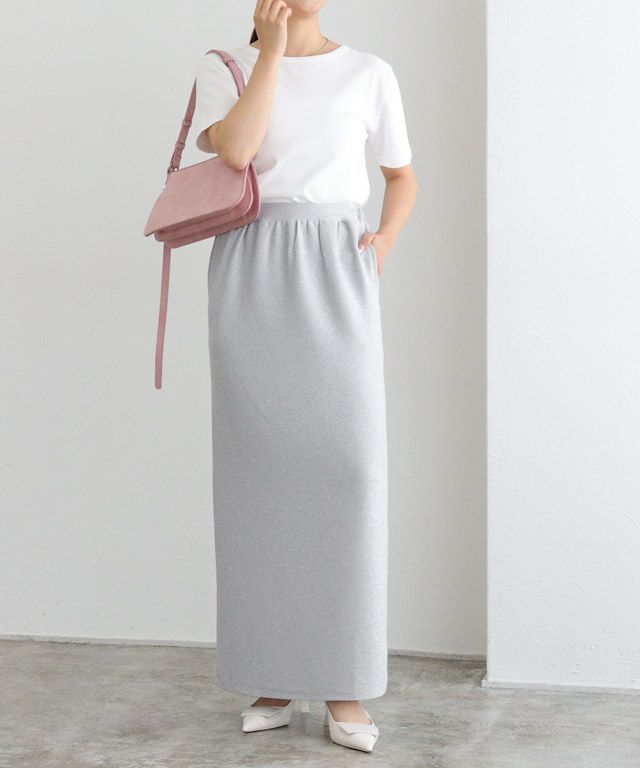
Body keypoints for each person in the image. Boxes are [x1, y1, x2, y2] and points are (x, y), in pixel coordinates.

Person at [191, 0, 417, 753]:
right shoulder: (227, 68)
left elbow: (400, 175)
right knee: (258, 477)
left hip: (337, 262)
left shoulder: (369, 73)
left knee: (350, 474)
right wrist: (271, 50)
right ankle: (272, 675)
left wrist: (384, 239)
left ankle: (345, 681)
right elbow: (236, 152)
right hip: (251, 262)